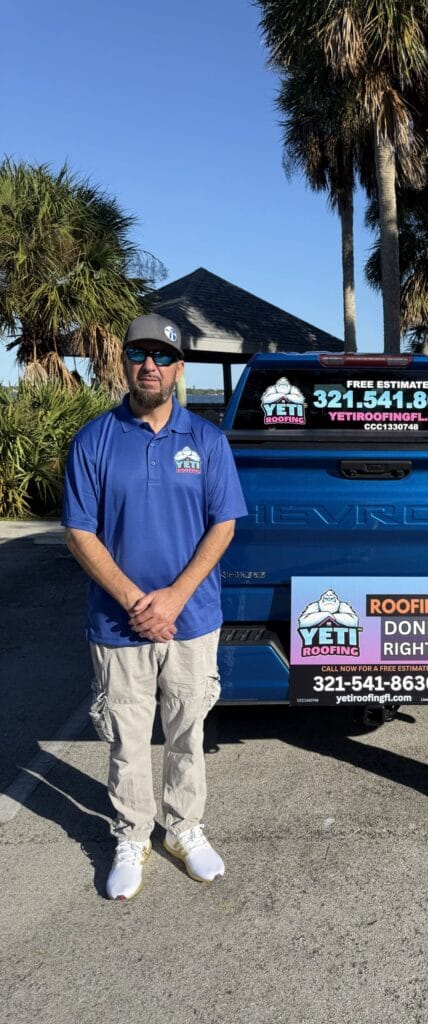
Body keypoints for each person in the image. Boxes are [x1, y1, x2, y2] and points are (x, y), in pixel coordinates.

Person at [62, 313, 247, 900]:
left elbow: (224, 526)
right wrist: (136, 601)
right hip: (117, 624)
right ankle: (132, 835)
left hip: (191, 620)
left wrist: (173, 597)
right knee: (127, 737)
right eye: (139, 354)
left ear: (179, 369)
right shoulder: (93, 439)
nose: (151, 366)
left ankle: (184, 828)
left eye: (162, 357)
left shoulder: (207, 441)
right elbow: (79, 532)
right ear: (123, 363)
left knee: (187, 732)